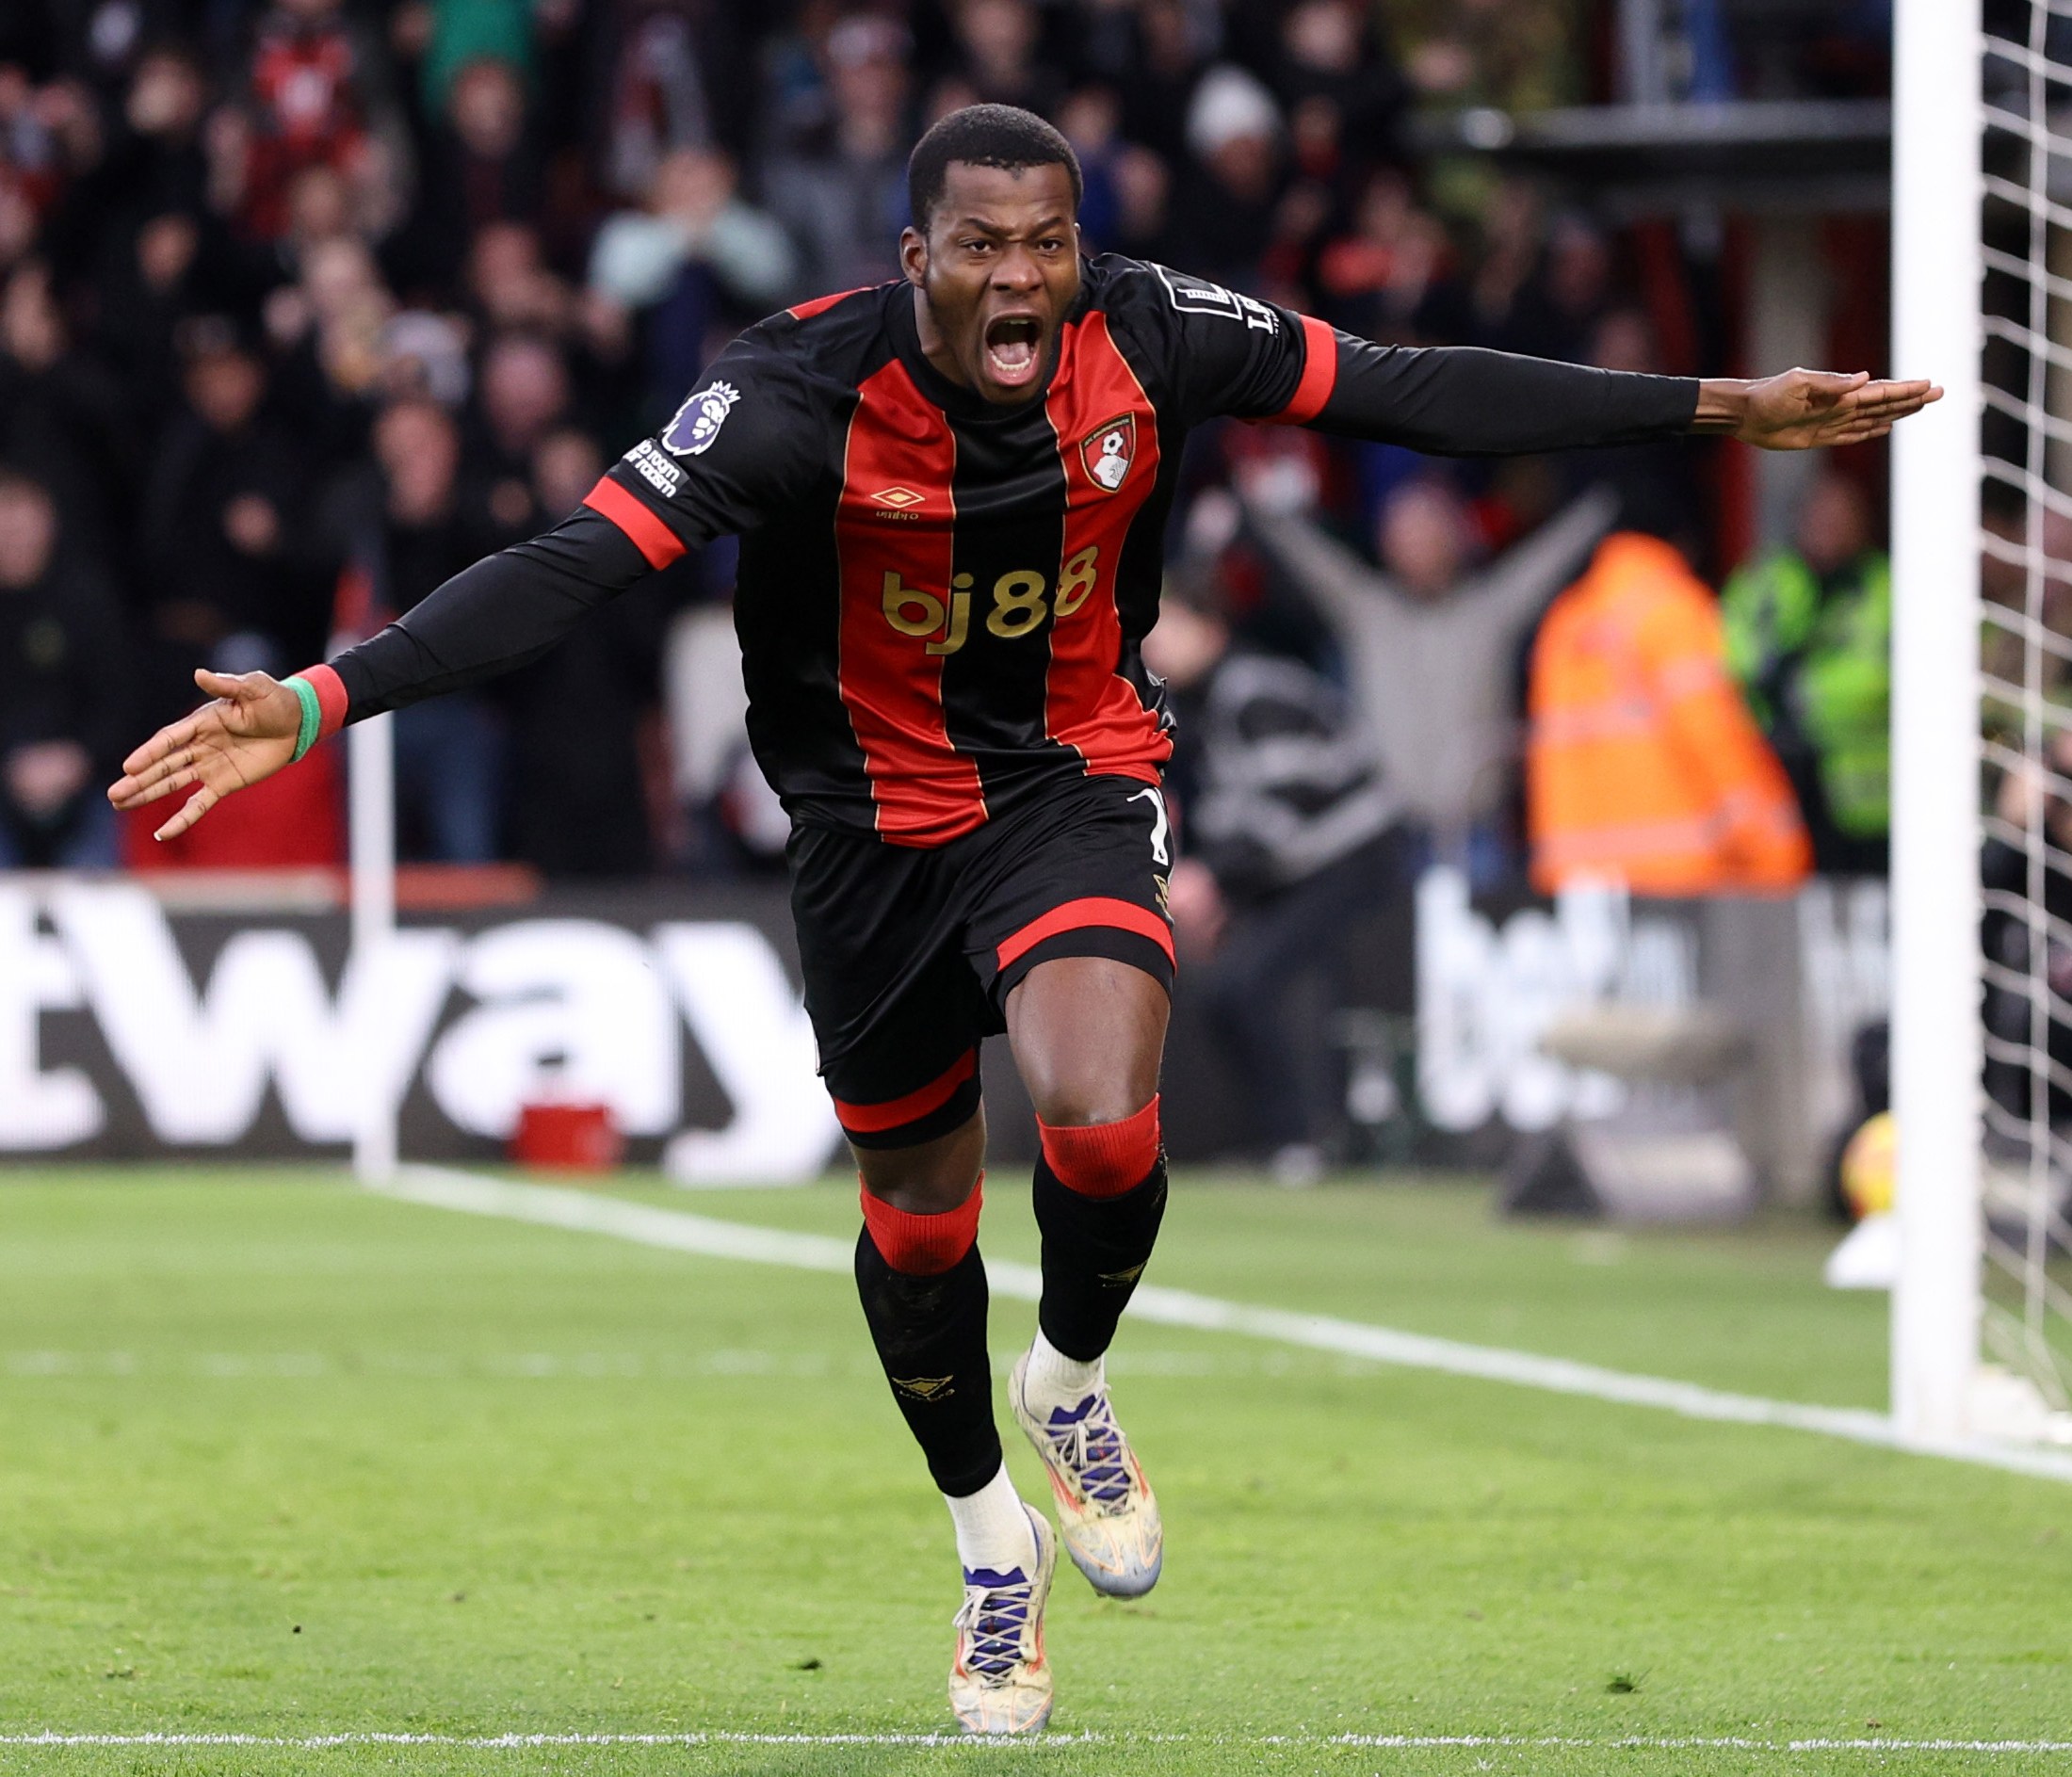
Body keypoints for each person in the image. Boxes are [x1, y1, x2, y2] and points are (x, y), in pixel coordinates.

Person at [107, 104, 1936, 1737]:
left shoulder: (1148, 331)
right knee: (913, 1222)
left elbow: (1405, 382)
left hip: (1068, 781)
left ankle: (1067, 1379)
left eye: (1042, 243)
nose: (1014, 276)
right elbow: (574, 566)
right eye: (977, 245)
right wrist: (325, 697)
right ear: (913, 259)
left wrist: (1717, 409)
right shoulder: (781, 401)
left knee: (1091, 1106)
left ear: (1077, 250)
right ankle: (991, 1537)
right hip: (858, 837)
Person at [1722, 469, 1890, 875]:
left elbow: (1879, 678)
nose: (1828, 529)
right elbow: (1728, 657)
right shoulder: (1766, 581)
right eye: (1819, 517)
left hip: (1863, 801)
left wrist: (1801, 689)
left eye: (1841, 518)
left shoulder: (1886, 587)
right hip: (1775, 779)